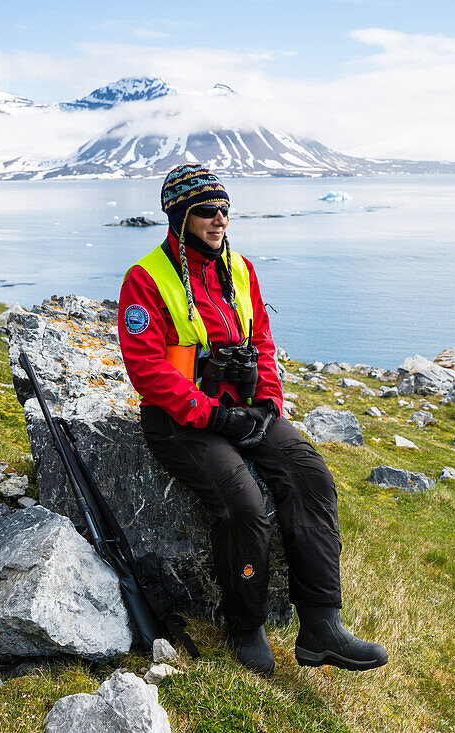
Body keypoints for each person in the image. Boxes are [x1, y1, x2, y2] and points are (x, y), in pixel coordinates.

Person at [117, 164, 387, 677]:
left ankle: (321, 626)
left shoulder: (239, 268)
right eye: (206, 213)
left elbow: (260, 339)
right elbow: (148, 369)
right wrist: (212, 415)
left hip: (244, 410)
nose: (219, 221)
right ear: (179, 218)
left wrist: (267, 403)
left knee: (311, 476)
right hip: (182, 421)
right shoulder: (145, 280)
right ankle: (246, 626)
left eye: (224, 211)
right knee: (244, 505)